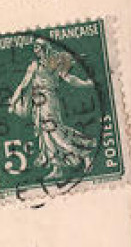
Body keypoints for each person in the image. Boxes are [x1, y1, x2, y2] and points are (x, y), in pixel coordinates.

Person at [8, 38, 96, 179]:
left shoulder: (54, 63)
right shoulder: (34, 65)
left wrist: (86, 84)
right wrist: (13, 102)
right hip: (38, 103)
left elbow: (69, 78)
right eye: (35, 47)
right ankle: (57, 168)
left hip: (49, 101)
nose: (35, 50)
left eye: (38, 47)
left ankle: (84, 154)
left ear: (44, 48)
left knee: (55, 132)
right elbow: (23, 85)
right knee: (46, 135)